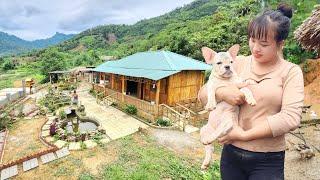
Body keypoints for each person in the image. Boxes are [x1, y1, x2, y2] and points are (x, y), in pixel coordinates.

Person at [198, 4, 304, 180]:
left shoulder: (290, 72)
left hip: (267, 160)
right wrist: (223, 93)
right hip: (231, 156)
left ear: (280, 44)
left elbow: (290, 118)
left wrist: (243, 135)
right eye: (252, 40)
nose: (255, 48)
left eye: (263, 44)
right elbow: (202, 94)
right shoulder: (237, 62)